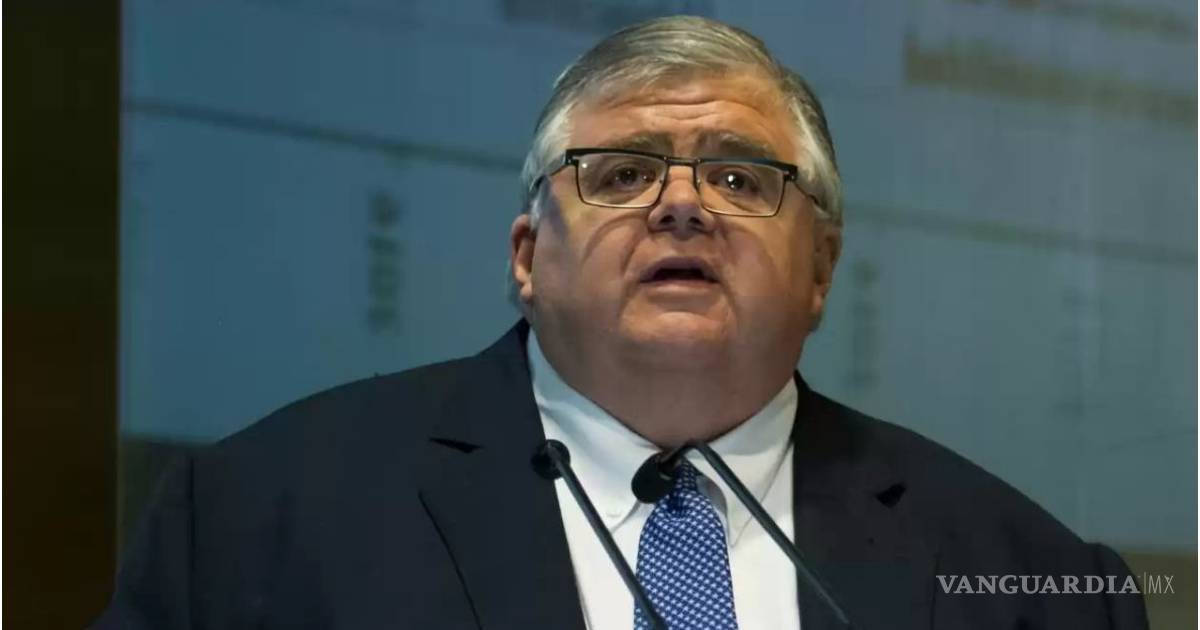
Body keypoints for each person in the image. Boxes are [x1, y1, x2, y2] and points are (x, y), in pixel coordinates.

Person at [94, 15, 1148, 630]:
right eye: (622, 173)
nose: (682, 206)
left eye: (740, 177)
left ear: (822, 268)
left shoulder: (1041, 587)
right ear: (526, 256)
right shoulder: (256, 522)